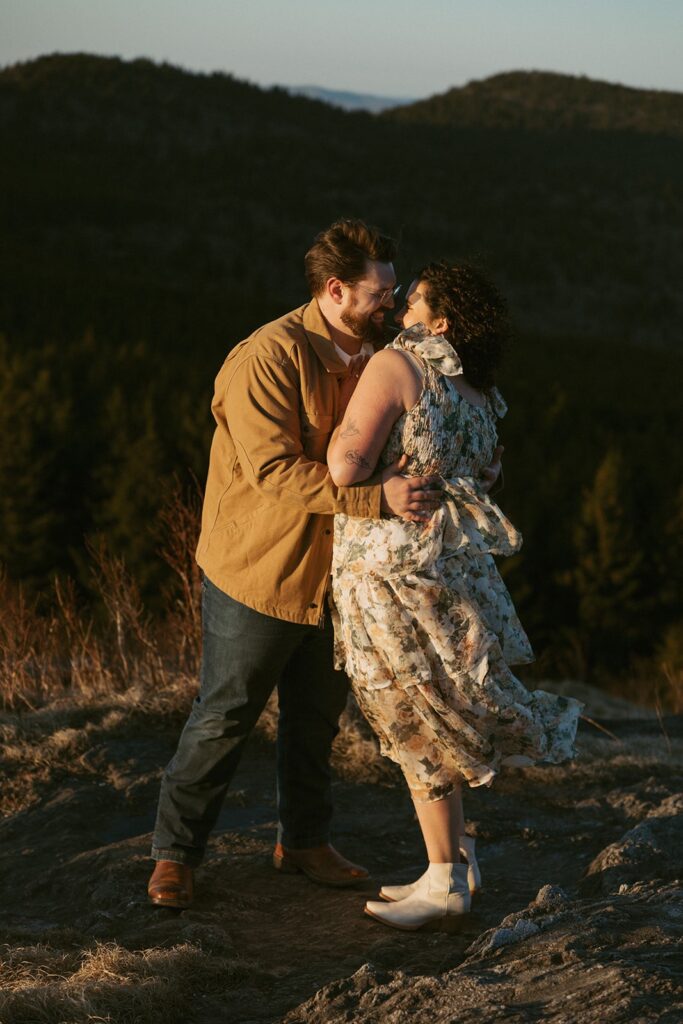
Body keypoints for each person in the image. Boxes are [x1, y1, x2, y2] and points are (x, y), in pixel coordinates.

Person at [147, 221, 503, 909]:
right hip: (263, 569)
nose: (392, 305)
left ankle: (303, 842)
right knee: (225, 714)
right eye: (379, 293)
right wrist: (377, 497)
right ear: (335, 290)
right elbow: (275, 473)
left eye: (397, 292)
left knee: (315, 719)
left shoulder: (390, 351)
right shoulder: (267, 357)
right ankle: (175, 854)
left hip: (345, 578)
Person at [327, 261, 583, 932]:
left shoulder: (397, 364)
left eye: (412, 298)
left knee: (411, 715)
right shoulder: (478, 394)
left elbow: (344, 468)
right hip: (455, 572)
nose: (399, 304)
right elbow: (487, 474)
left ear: (437, 322)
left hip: (389, 570)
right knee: (438, 704)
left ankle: (443, 883)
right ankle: (455, 860)